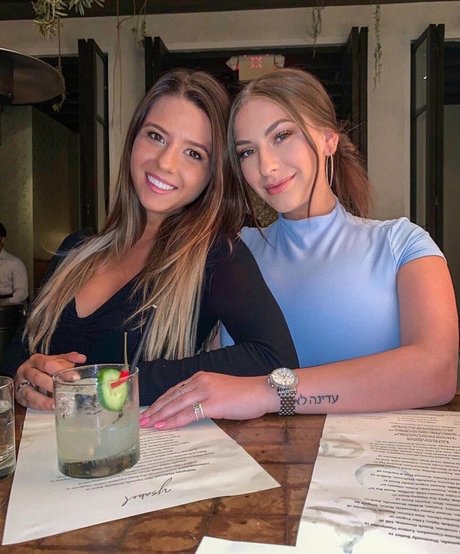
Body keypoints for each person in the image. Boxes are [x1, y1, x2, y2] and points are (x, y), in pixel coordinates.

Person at [139, 67, 459, 430]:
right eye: (247, 152)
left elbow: (437, 371)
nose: (266, 166)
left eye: (282, 136)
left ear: (328, 139)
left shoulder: (403, 244)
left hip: (380, 460)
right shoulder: (232, 253)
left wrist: (267, 392)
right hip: (256, 460)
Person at [1, 68, 298, 409]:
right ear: (133, 140)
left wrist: (115, 383)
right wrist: (25, 375)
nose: (165, 162)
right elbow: (15, 357)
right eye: (156, 136)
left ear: (212, 174)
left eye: (193, 153)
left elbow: (275, 359)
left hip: (142, 442)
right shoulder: (75, 250)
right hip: (44, 442)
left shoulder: (215, 256)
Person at [0, 222, 28, 306]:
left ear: (2, 239)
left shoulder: (15, 263)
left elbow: (22, 293)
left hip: (8, 309)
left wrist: (4, 303)